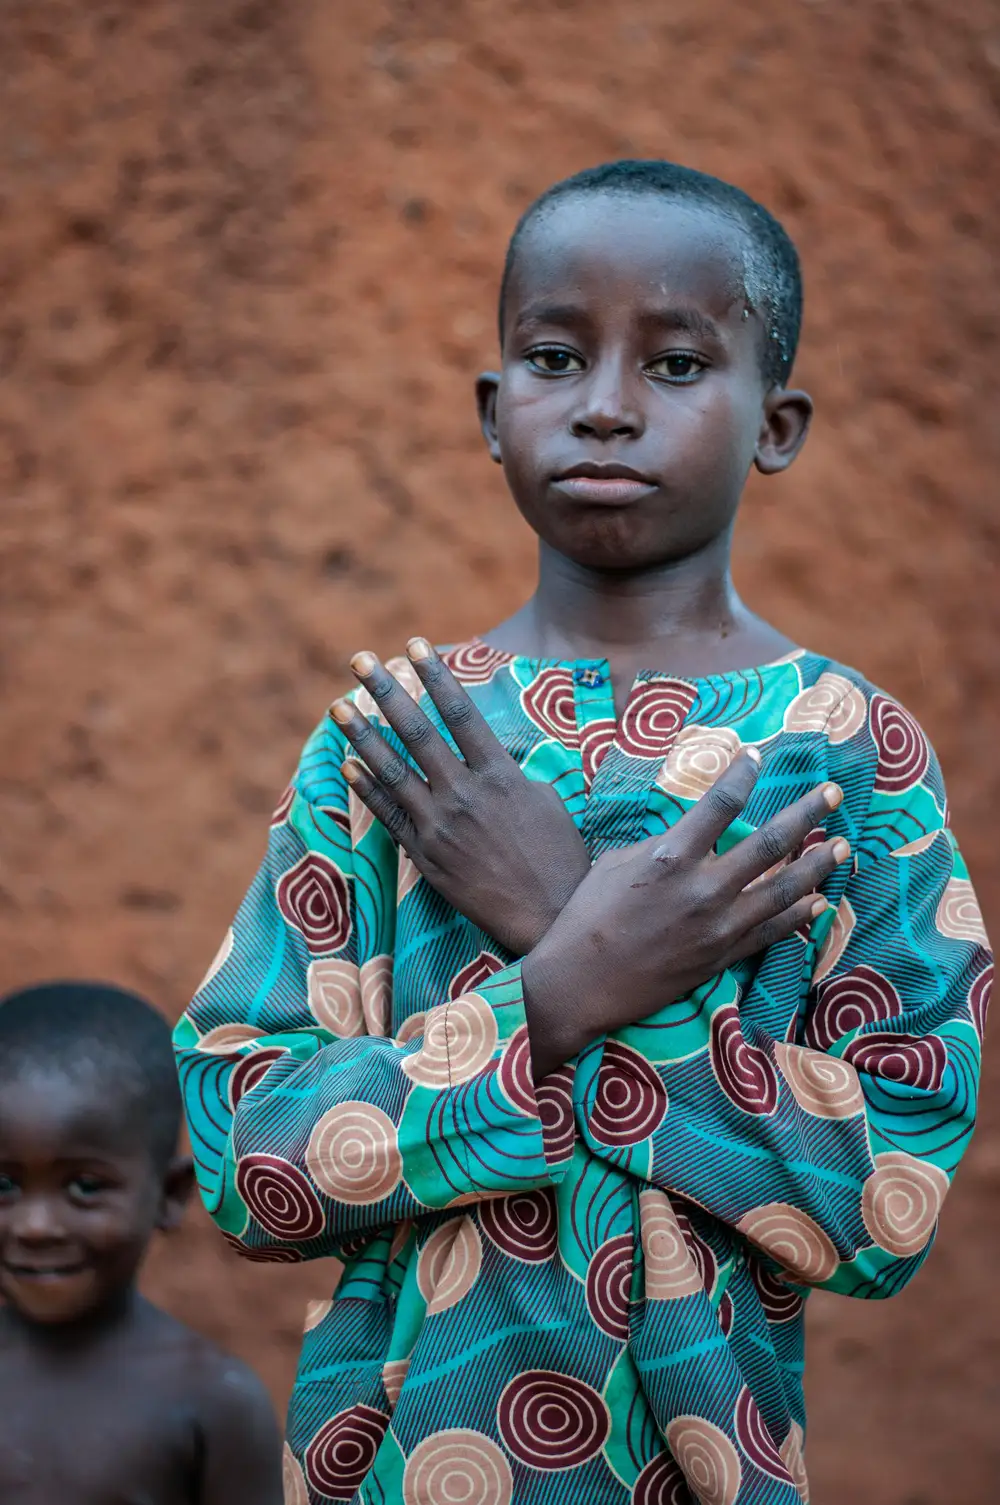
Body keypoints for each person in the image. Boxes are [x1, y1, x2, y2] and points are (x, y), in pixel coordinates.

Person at [175, 160, 990, 1505]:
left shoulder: (849, 750)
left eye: (677, 365)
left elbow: (889, 1193)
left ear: (775, 424)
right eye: (557, 355)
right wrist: (565, 986)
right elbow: (242, 1156)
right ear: (496, 412)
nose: (607, 407)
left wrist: (574, 939)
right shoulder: (395, 742)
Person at [0, 980, 283, 1504]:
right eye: (4, 1185)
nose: (34, 1225)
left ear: (170, 1194)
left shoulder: (212, 1401)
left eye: (85, 1187)